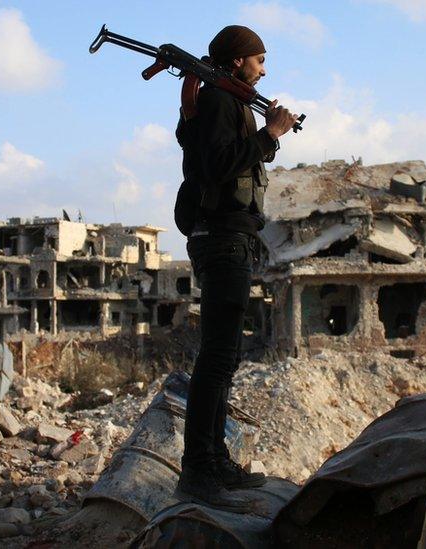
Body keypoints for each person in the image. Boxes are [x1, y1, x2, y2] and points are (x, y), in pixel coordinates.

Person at [174, 24, 298, 511]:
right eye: (259, 60)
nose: (264, 70)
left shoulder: (226, 101)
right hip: (222, 238)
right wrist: (270, 133)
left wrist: (264, 129)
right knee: (217, 357)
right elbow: (216, 165)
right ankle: (198, 470)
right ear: (237, 61)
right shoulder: (222, 103)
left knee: (224, 357)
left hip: (232, 239)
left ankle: (214, 459)